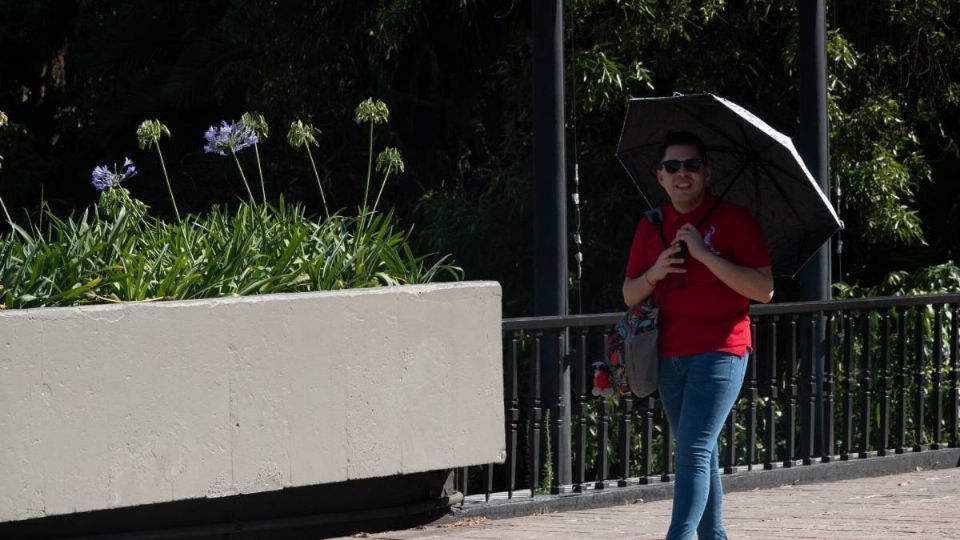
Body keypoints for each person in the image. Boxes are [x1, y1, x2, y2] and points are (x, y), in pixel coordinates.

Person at [622, 131, 774, 540]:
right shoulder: (651, 225)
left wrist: (705, 255)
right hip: (670, 353)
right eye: (672, 167)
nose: (682, 174)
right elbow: (629, 292)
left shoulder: (734, 220)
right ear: (660, 176)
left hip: (722, 350)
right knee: (701, 453)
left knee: (691, 451)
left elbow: (763, 289)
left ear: (708, 172)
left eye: (691, 165)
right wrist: (655, 272)